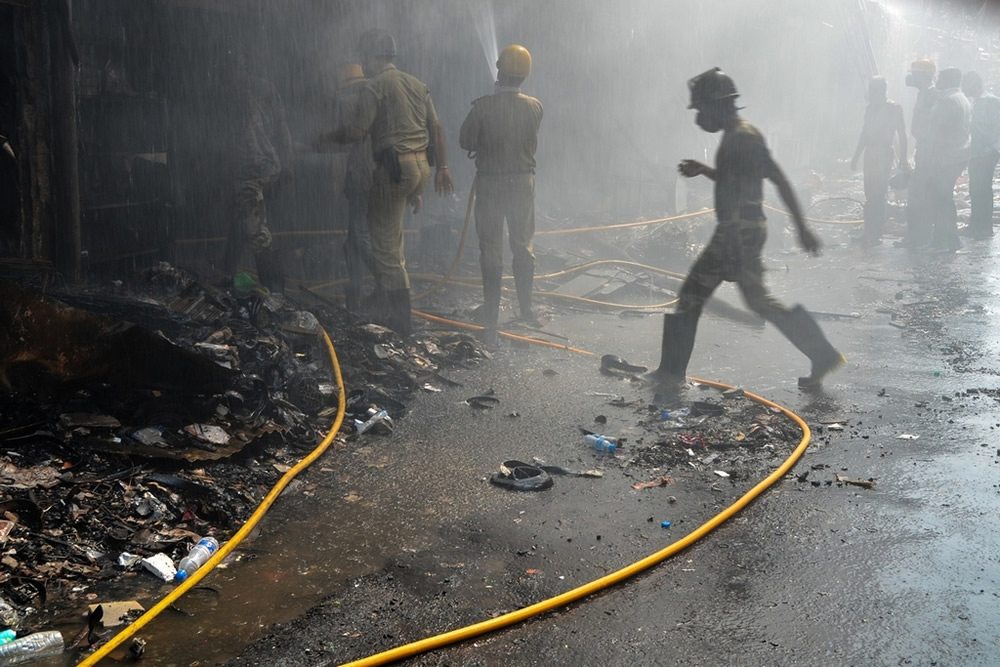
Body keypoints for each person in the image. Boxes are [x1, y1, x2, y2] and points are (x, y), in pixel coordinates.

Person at [645, 68, 844, 391]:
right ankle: (822, 353)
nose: (699, 116)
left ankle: (669, 375)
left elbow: (778, 178)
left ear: (718, 104)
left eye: (701, 108)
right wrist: (705, 170)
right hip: (744, 230)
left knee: (692, 295)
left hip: (737, 233)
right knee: (759, 301)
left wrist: (802, 228)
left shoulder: (743, 137)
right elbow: (737, 180)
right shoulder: (738, 135)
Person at [322, 29, 454, 337]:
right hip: (420, 166)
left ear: (372, 57)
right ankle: (392, 308)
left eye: (364, 58)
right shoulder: (417, 84)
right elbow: (435, 126)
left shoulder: (374, 86)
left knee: (384, 247)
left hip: (394, 168)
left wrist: (326, 139)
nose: (363, 65)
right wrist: (443, 168)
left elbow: (356, 133)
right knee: (393, 241)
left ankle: (400, 321)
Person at [459, 44, 543, 343]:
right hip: (522, 183)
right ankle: (526, 309)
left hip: (492, 183)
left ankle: (492, 315)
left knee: (491, 246)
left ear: (499, 70)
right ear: (525, 74)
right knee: (523, 244)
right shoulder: (535, 106)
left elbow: (465, 140)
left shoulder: (482, 106)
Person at [221, 52, 294, 293]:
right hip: (271, 167)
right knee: (241, 222)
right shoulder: (267, 87)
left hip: (249, 171)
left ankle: (276, 290)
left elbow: (231, 139)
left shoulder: (234, 93)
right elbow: (283, 128)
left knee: (257, 232)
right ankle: (226, 273)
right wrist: (288, 163)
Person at [336, 63, 377, 310]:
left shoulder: (347, 104)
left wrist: (340, 178)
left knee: (360, 237)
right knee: (352, 243)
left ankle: (387, 283)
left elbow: (344, 146)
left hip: (360, 178)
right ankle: (356, 295)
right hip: (375, 175)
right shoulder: (375, 102)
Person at [850, 76, 908, 245]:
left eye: (873, 89)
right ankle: (869, 231)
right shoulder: (870, 109)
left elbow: (902, 134)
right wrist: (856, 156)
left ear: (882, 90)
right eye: (870, 89)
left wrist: (903, 158)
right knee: (869, 194)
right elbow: (864, 133)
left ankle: (877, 235)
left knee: (879, 193)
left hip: (884, 153)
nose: (871, 93)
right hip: (870, 153)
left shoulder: (894, 108)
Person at [922, 67, 971, 251]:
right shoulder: (961, 98)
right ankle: (950, 238)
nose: (936, 81)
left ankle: (944, 239)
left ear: (948, 80)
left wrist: (933, 155)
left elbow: (940, 131)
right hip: (957, 155)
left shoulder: (948, 101)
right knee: (945, 197)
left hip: (946, 156)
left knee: (941, 198)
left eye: (940, 78)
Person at [899, 58, 940, 248]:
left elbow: (933, 126)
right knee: (920, 193)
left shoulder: (931, 95)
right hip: (924, 150)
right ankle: (919, 235)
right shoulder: (924, 94)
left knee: (918, 194)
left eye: (914, 74)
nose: (911, 77)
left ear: (923, 76)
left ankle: (918, 236)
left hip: (929, 151)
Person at [961, 71, 1000, 239]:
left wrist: (993, 149)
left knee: (983, 189)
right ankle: (976, 224)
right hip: (975, 152)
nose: (964, 87)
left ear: (975, 84)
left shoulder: (991, 101)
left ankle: (984, 226)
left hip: (987, 152)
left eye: (966, 83)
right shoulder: (972, 103)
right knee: (975, 188)